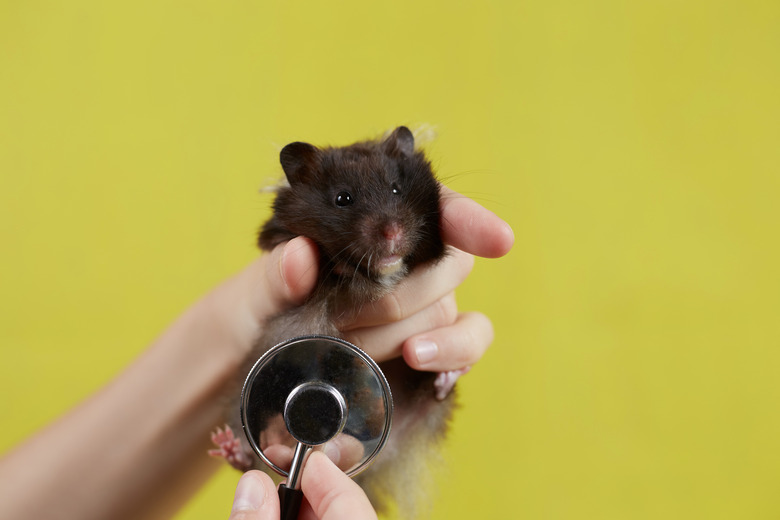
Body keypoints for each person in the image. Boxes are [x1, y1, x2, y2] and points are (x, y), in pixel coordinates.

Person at [0, 188, 513, 520]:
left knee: (423, 374)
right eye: (347, 199)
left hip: (377, 413)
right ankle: (255, 451)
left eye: (398, 193)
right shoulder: (299, 242)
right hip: (292, 413)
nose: (388, 226)